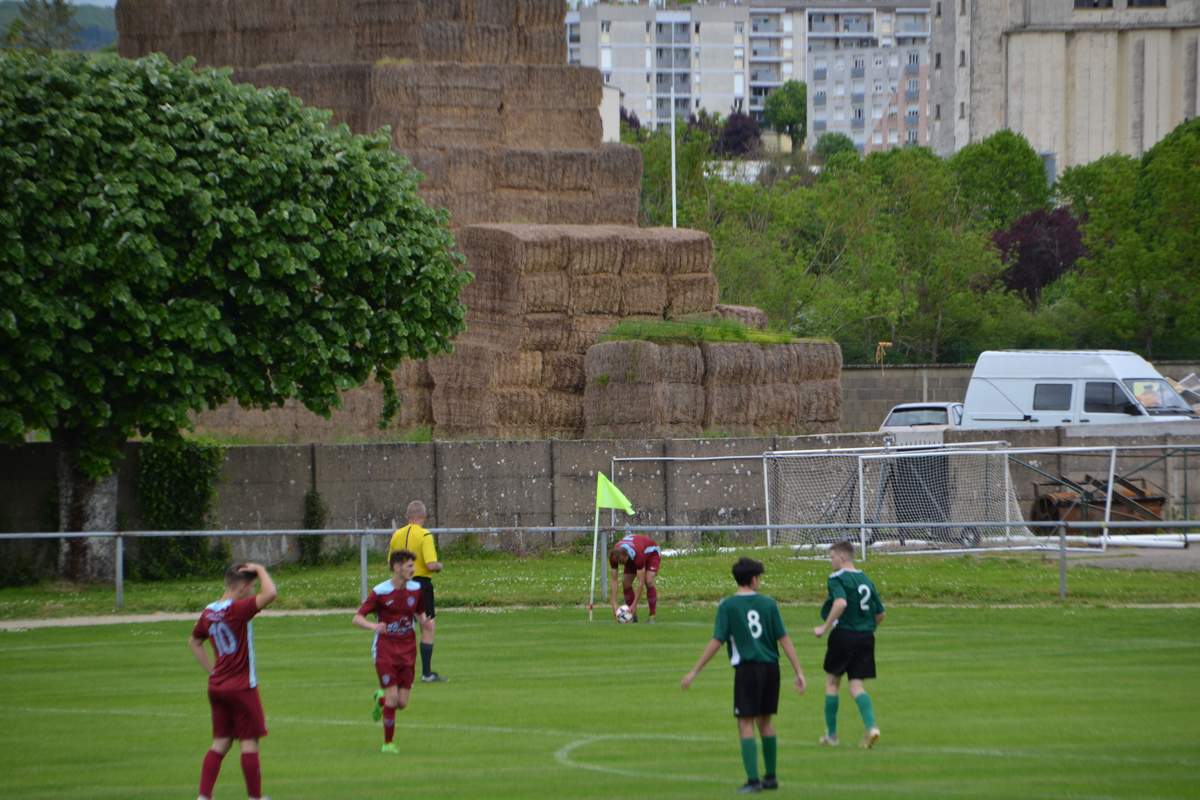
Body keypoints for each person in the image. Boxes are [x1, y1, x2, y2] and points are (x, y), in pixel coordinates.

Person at [681, 557, 806, 794]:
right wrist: (799, 671)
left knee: (745, 722)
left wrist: (694, 671)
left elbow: (717, 641)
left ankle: (753, 780)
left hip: (748, 669)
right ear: (753, 579)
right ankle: (771, 777)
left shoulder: (729, 606)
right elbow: (784, 639)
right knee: (766, 721)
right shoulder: (769, 604)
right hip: (771, 668)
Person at [188, 562, 277, 800]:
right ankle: (255, 798)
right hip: (241, 687)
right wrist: (260, 568)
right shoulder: (238, 609)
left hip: (217, 687)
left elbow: (194, 641)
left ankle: (203, 796)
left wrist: (212, 670)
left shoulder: (209, 611)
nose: (253, 592)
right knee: (249, 742)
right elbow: (271, 594)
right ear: (243, 587)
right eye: (252, 587)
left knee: (220, 742)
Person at [812, 540, 886, 749]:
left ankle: (832, 736)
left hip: (843, 634)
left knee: (832, 683)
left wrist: (824, 628)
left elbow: (841, 603)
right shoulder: (866, 580)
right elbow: (880, 614)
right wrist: (867, 630)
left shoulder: (837, 578)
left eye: (832, 556)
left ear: (842, 557)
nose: (831, 561)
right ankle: (871, 727)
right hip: (865, 636)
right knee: (856, 685)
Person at [353, 549, 427, 753]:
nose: (412, 569)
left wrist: (425, 623)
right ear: (396, 567)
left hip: (408, 651)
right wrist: (374, 627)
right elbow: (357, 618)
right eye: (409, 566)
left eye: (413, 565)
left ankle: (381, 699)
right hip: (385, 650)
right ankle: (388, 743)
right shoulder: (380, 591)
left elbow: (420, 614)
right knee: (394, 698)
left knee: (401, 703)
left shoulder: (416, 589)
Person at [387, 500, 445, 682]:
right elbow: (430, 563)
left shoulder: (397, 535)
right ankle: (426, 673)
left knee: (402, 628)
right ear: (423, 517)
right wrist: (439, 566)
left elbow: (391, 562)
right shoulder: (425, 535)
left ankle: (396, 672)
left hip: (401, 584)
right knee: (427, 626)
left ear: (408, 517)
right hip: (420, 584)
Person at [608, 532, 661, 623]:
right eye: (619, 562)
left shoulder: (638, 556)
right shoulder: (614, 556)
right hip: (633, 554)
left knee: (648, 581)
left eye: (622, 562)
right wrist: (614, 603)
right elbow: (614, 579)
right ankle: (632, 615)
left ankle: (652, 615)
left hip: (651, 553)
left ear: (626, 556)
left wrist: (634, 604)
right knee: (626, 583)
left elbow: (640, 583)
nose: (621, 564)